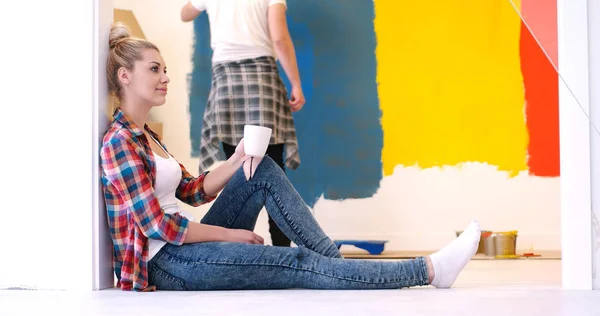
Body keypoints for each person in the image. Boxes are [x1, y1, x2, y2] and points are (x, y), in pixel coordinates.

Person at [100, 22, 481, 292]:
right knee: (294, 263)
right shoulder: (119, 142)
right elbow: (158, 227)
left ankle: (334, 265)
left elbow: (192, 191)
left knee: (261, 168)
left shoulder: (146, 136)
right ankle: (428, 270)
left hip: (183, 247)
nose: (165, 77)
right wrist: (231, 235)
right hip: (166, 265)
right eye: (155, 69)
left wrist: (237, 162)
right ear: (124, 77)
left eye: (165, 69)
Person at [180, 0, 306, 247]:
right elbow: (279, 39)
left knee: (237, 173)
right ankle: (283, 252)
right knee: (274, 174)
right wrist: (296, 83)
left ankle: (236, 253)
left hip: (227, 82)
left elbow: (185, 13)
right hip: (262, 78)